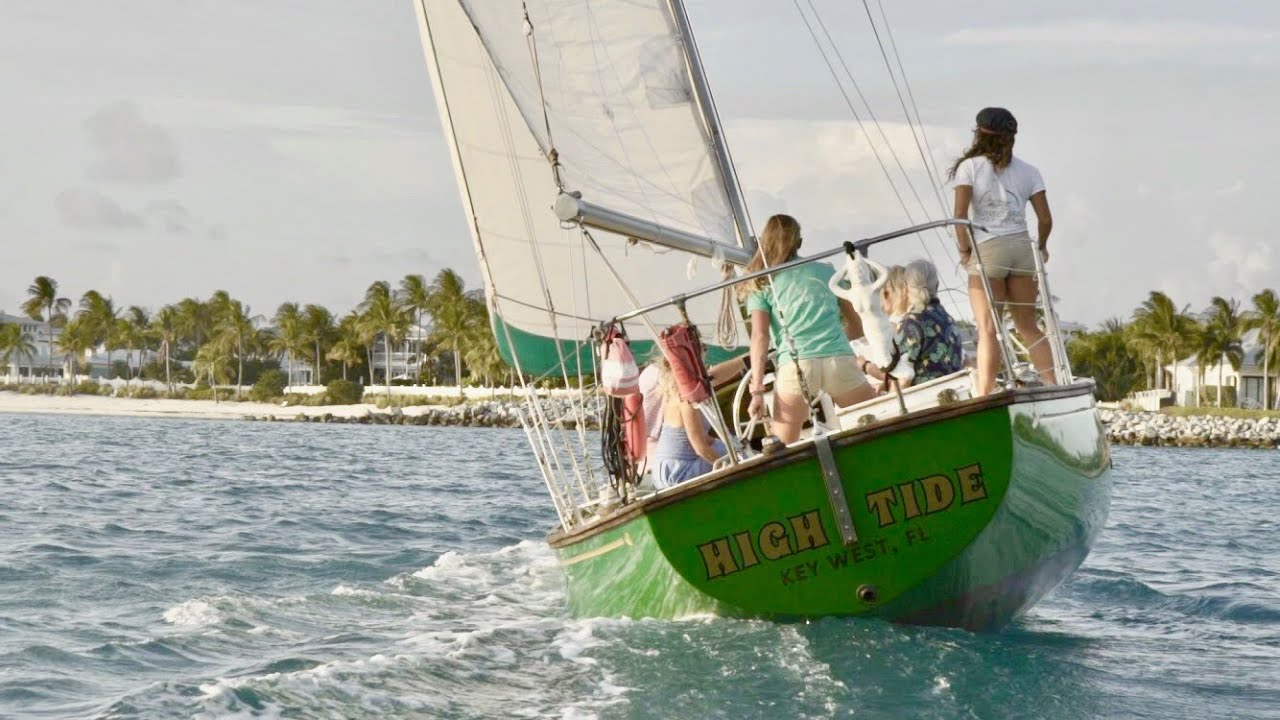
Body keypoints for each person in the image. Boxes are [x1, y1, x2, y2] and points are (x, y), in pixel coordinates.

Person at [739, 214, 876, 443]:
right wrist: (831, 341)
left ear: (763, 243)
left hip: (796, 366)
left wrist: (757, 391)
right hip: (839, 360)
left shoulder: (762, 282)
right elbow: (858, 326)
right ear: (799, 242)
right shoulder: (826, 271)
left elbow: (760, 337)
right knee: (876, 425)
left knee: (782, 448)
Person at [950, 107, 1055, 396]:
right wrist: (1042, 247)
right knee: (1029, 326)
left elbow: (960, 217)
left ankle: (984, 394)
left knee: (987, 329)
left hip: (988, 250)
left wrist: (964, 251)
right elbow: (1045, 219)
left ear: (979, 133)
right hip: (1022, 249)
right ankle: (1052, 386)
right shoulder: (1029, 171)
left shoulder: (969, 168)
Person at [859, 260, 964, 387]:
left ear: (905, 287)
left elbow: (904, 377)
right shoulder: (947, 318)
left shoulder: (911, 324)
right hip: (955, 388)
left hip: (927, 396)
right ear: (937, 285)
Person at [651, 357, 726, 489]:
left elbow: (716, 376)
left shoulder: (676, 391)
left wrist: (749, 360)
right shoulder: (687, 398)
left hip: (665, 471)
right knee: (733, 450)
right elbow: (700, 448)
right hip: (679, 473)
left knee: (725, 445)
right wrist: (731, 465)